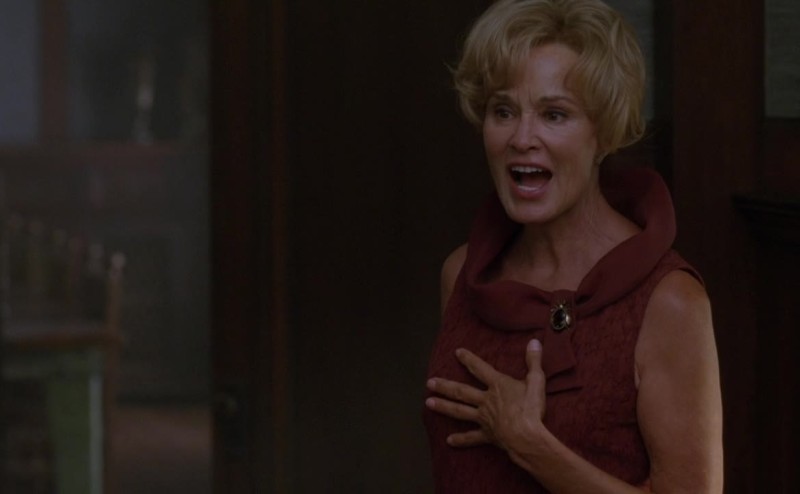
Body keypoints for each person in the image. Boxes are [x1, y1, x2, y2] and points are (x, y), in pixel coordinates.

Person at [422, 0, 724, 492]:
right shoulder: (459, 275)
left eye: (554, 114)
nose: (522, 137)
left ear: (603, 134)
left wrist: (531, 446)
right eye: (503, 111)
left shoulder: (670, 301)